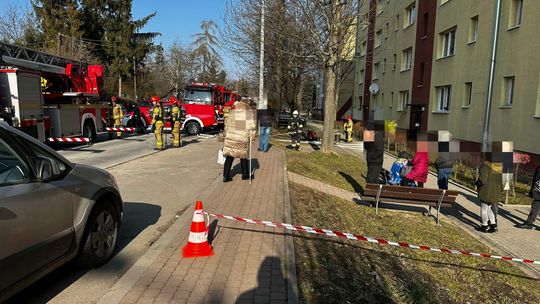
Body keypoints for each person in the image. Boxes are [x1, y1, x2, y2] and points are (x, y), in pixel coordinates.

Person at [222, 97, 256, 182]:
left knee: (229, 156)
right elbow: (251, 127)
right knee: (243, 156)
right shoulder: (248, 113)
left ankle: (225, 177)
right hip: (241, 137)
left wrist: (225, 134)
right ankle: (245, 175)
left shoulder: (233, 112)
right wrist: (252, 137)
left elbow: (227, 125)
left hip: (231, 137)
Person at [475, 153, 503, 233]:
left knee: (484, 208)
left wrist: (476, 183)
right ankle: (493, 226)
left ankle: (484, 226)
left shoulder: (485, 167)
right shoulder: (499, 169)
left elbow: (482, 180)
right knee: (489, 208)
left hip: (486, 191)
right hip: (495, 192)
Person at [516, 164, 540, 229]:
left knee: (535, 207)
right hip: (537, 191)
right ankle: (529, 223)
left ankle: (529, 223)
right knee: (535, 207)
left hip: (538, 190)